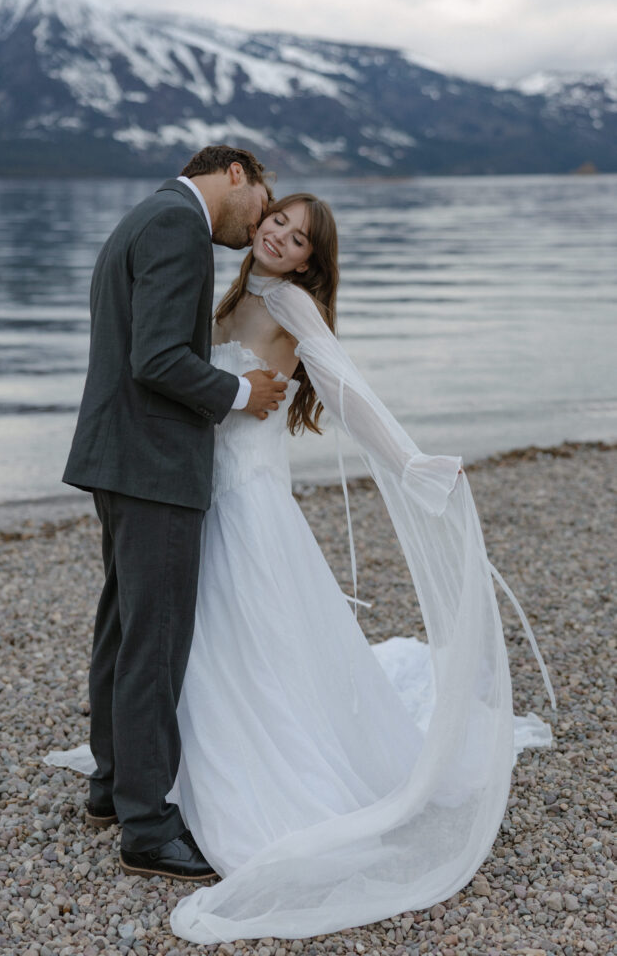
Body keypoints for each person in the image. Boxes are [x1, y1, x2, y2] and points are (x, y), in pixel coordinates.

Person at [50, 193, 554, 942]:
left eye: (296, 238)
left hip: (246, 508)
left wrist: (411, 462)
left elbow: (344, 389)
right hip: (194, 498)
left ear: (312, 262)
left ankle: (187, 786)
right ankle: (143, 781)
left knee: (245, 643)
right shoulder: (234, 287)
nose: (279, 237)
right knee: (173, 638)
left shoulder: (288, 302)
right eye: (275, 222)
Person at [61, 145, 290, 882]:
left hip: (120, 456)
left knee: (124, 626)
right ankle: (147, 825)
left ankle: (110, 786)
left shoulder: (149, 214)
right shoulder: (176, 227)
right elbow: (157, 358)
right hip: (153, 462)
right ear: (234, 174)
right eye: (263, 197)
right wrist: (238, 396)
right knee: (154, 642)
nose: (260, 216)